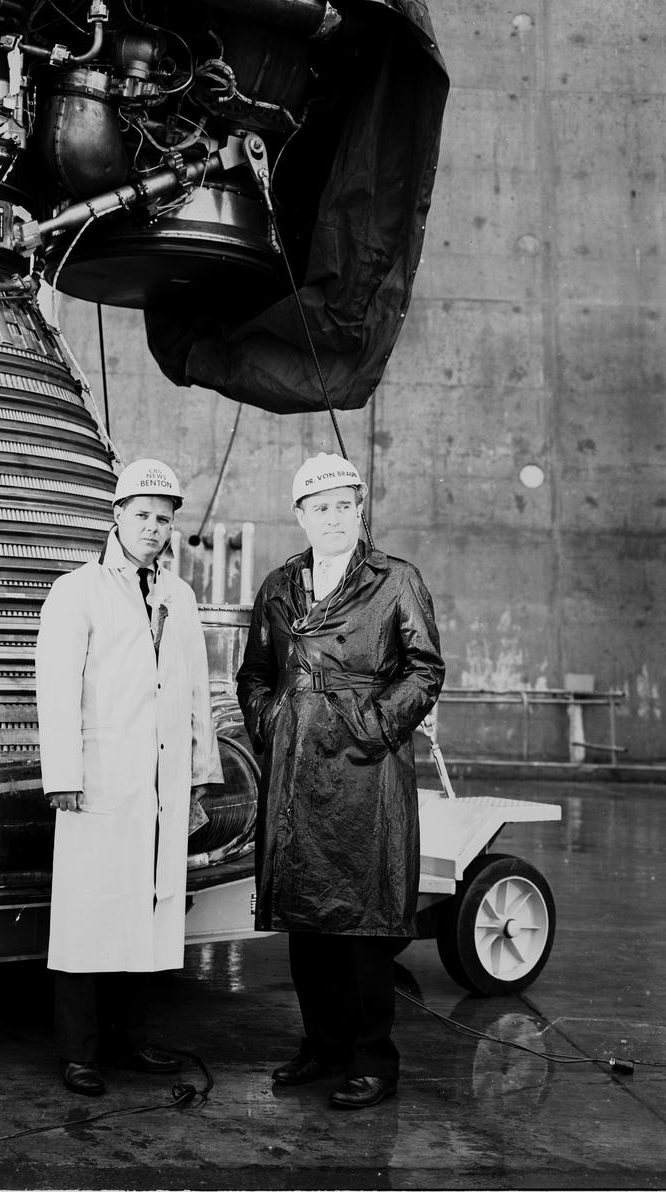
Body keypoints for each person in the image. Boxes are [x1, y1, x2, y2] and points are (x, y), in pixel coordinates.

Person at [236, 452, 445, 1110]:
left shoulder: (396, 580)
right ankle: (322, 1046)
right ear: (300, 516)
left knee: (363, 923)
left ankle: (372, 1060)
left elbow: (423, 669)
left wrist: (371, 727)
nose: (332, 517)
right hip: (298, 769)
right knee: (308, 919)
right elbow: (253, 672)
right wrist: (273, 721)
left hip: (366, 772)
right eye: (319, 508)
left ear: (360, 510)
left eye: (343, 506)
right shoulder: (279, 585)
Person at [35, 457, 222, 1097]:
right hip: (99, 781)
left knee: (146, 908)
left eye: (163, 520)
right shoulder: (78, 590)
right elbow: (56, 688)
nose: (152, 528)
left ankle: (131, 1038)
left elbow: (195, 689)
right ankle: (79, 1052)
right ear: (116, 515)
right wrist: (64, 773)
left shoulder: (179, 596)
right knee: (89, 913)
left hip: (160, 784)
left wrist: (199, 773)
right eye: (142, 515)